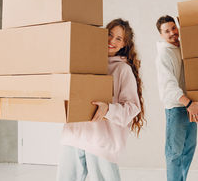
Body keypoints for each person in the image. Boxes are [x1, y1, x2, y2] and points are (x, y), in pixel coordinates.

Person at [57, 18, 145, 181]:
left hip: (100, 141)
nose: (112, 40)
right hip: (73, 135)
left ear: (125, 44)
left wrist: (108, 110)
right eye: (109, 35)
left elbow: (132, 107)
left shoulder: (122, 69)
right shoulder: (84, 62)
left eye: (118, 38)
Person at [155, 15, 198, 181]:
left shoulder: (183, 48)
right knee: (174, 152)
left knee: (188, 149)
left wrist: (188, 26)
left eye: (173, 28)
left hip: (191, 106)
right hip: (177, 108)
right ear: (161, 35)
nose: (172, 33)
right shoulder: (164, 54)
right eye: (166, 31)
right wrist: (188, 103)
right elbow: (169, 86)